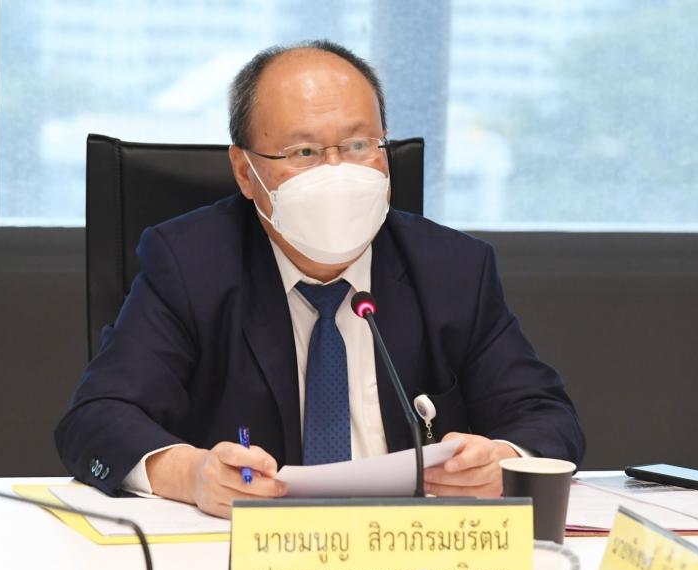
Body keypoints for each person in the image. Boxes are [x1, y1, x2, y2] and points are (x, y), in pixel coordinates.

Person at [55, 40, 585, 518]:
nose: (337, 171)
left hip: (414, 549)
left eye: (358, 146)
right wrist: (191, 475)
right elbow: (97, 419)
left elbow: (547, 418)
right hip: (241, 554)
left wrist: (501, 462)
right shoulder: (190, 264)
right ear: (244, 172)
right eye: (304, 152)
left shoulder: (453, 268)